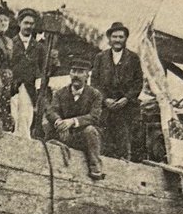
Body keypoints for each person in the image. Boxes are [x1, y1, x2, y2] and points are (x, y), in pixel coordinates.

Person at [45, 56, 105, 180]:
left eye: (80, 72)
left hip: (83, 137)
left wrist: (72, 122)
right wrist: (59, 122)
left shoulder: (95, 95)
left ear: (87, 75)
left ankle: (95, 166)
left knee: (90, 130)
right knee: (48, 126)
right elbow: (52, 111)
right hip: (63, 135)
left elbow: (94, 116)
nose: (76, 75)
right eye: (73, 71)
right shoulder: (60, 93)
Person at [91, 22, 145, 161]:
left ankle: (125, 163)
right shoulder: (100, 57)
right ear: (109, 38)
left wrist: (126, 99)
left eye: (121, 37)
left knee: (124, 144)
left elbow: (138, 82)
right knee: (104, 142)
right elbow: (95, 82)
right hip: (106, 108)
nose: (117, 40)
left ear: (125, 38)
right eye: (114, 37)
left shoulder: (133, 58)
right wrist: (104, 99)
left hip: (126, 109)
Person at [10, 8, 46, 103]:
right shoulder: (10, 44)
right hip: (13, 91)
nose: (28, 26)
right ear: (19, 23)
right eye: (26, 23)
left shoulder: (39, 47)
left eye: (31, 24)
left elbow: (41, 69)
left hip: (30, 92)